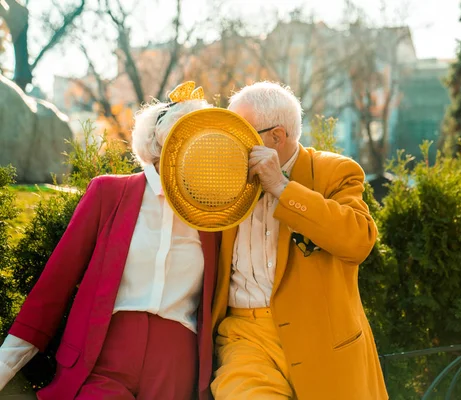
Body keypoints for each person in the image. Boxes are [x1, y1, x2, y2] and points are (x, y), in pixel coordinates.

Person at [0, 85, 220, 400]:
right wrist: (6, 363)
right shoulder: (108, 194)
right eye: (182, 139)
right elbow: (55, 284)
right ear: (157, 141)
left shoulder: (214, 215)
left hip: (176, 362)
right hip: (103, 355)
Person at [210, 81, 389, 399]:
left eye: (240, 132)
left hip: (323, 342)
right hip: (244, 339)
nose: (228, 141)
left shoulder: (335, 172)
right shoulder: (223, 177)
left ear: (277, 136)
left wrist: (281, 186)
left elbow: (359, 241)